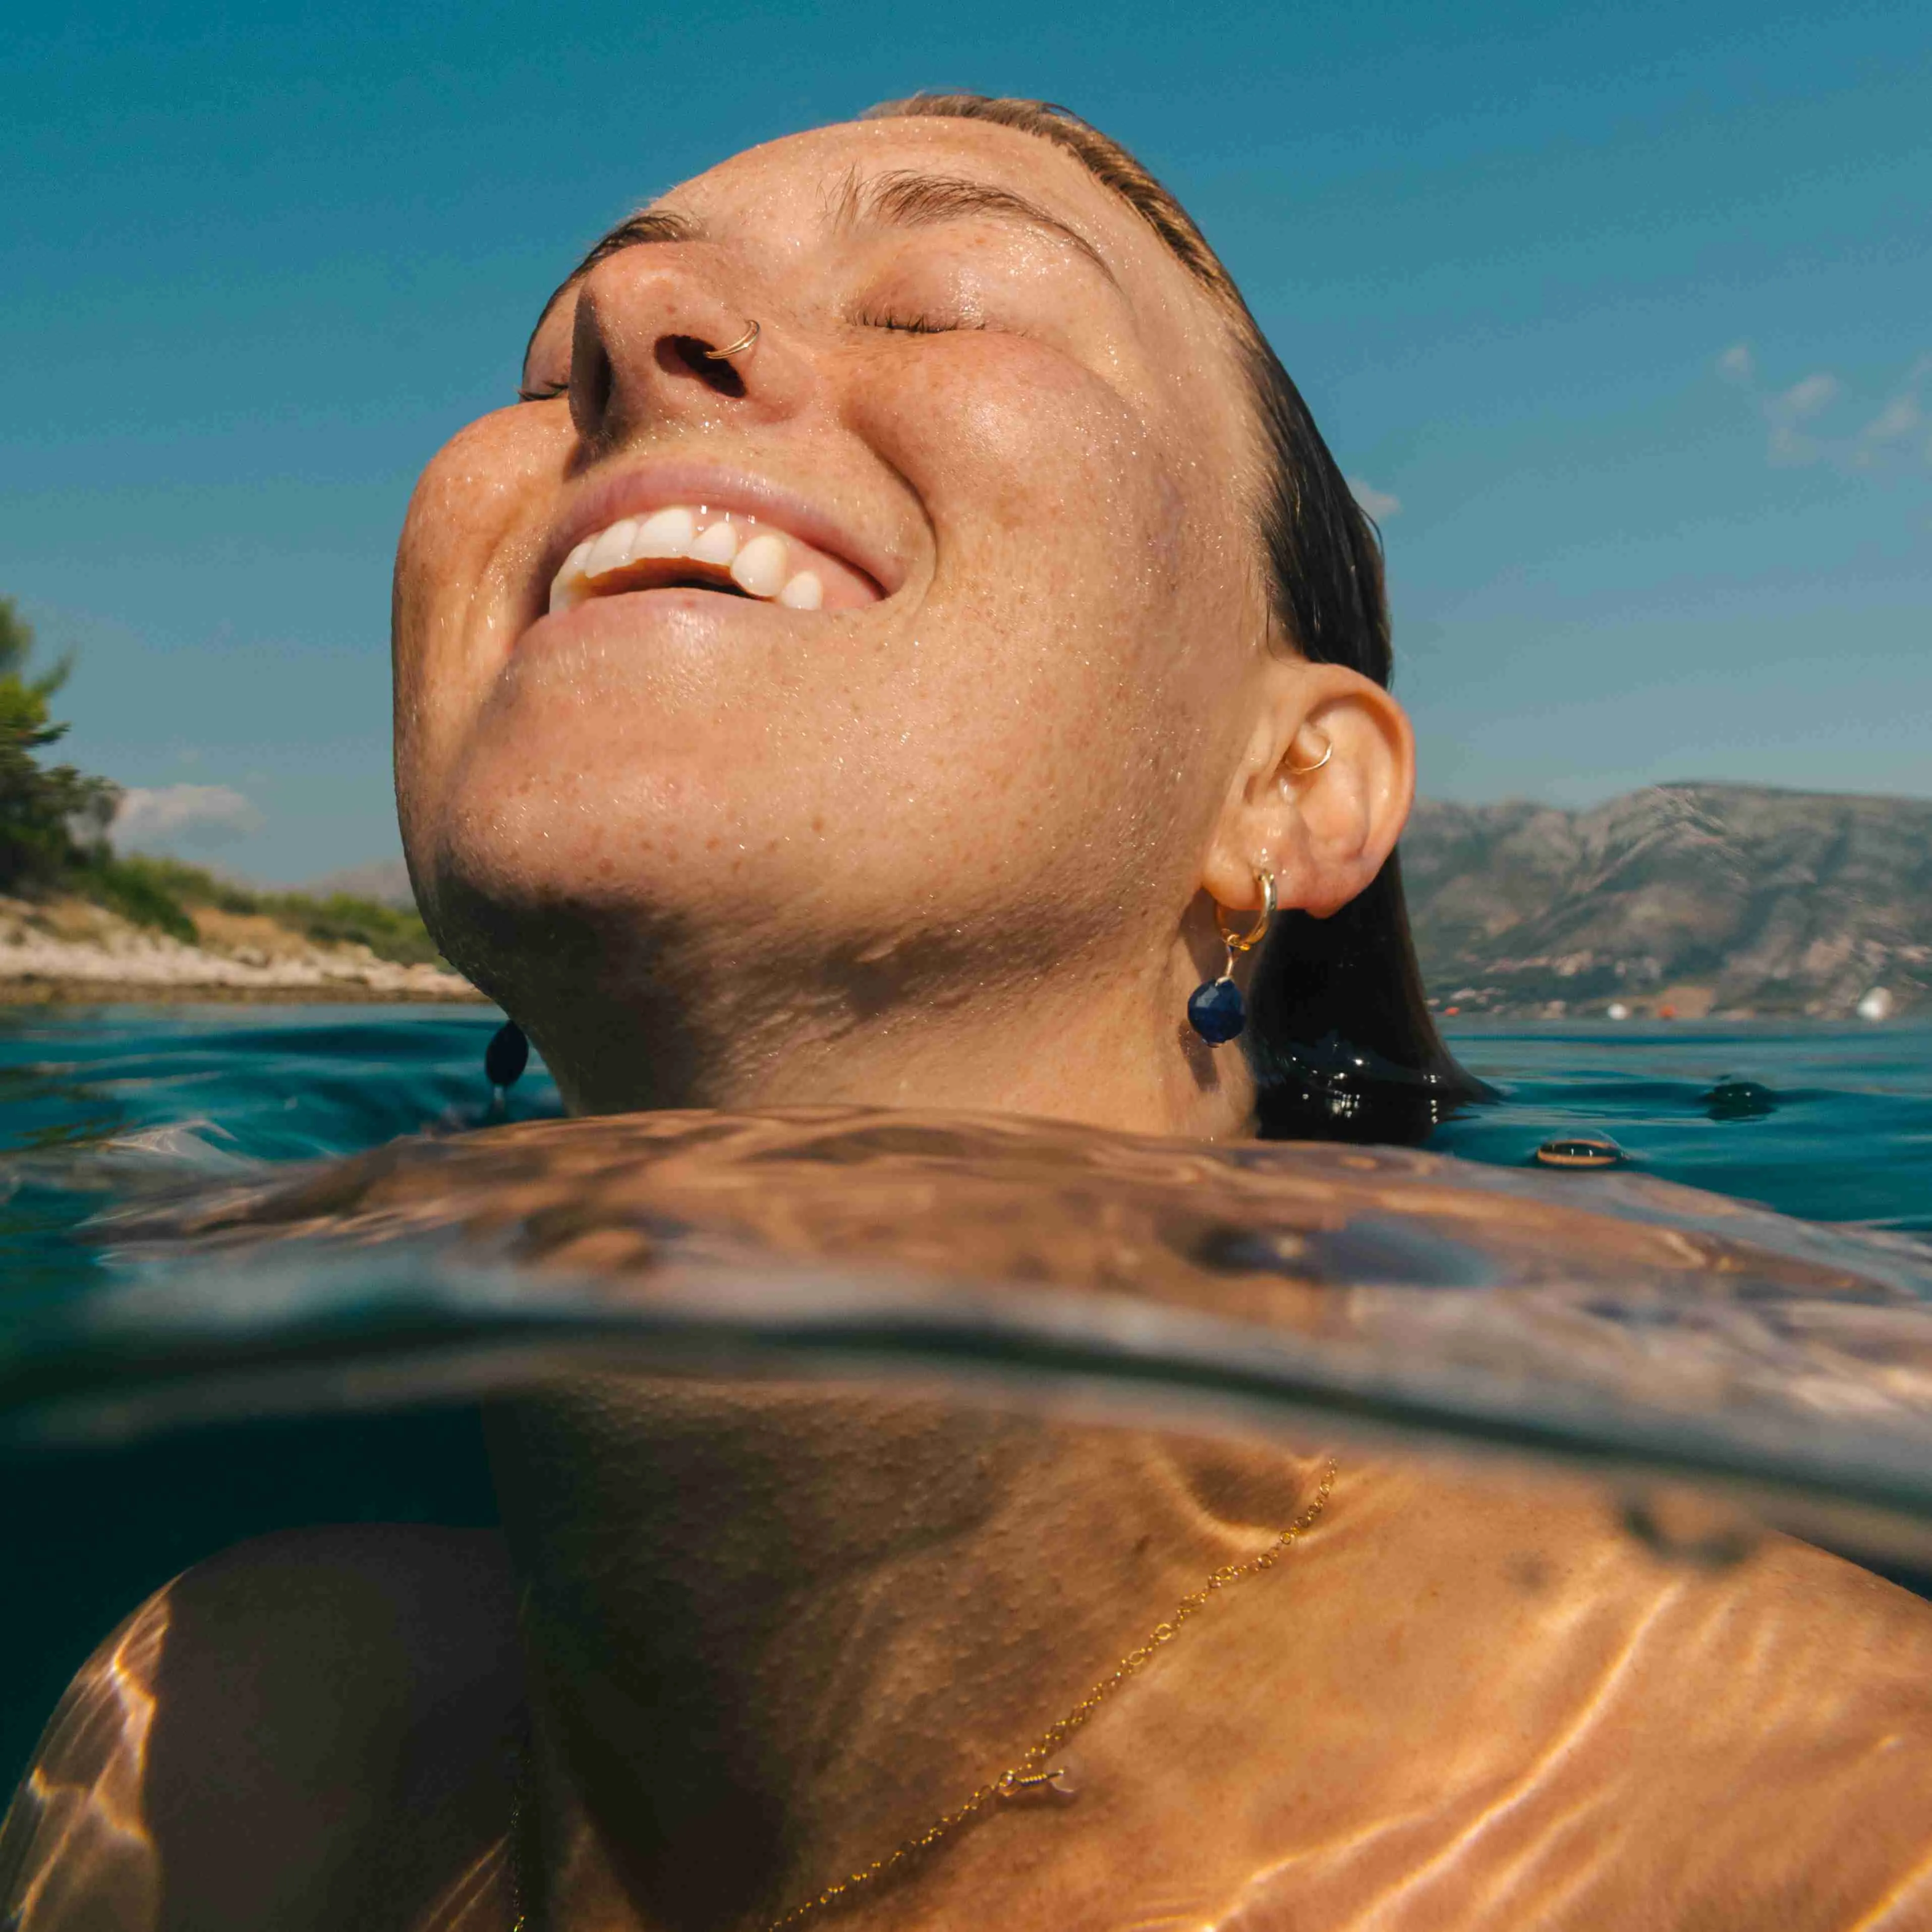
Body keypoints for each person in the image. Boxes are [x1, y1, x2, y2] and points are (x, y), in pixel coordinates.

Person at [8, 94, 1932, 1931]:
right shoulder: (220, 1737)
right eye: (542, 362)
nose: (623, 327)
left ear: (1291, 786)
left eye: (941, 298)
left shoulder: (1831, 1817)